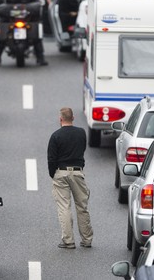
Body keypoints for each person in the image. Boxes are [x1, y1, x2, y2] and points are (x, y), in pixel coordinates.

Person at [47, 107, 93, 249]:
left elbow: (51, 159)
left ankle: (68, 240)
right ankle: (86, 240)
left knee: (64, 207)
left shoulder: (55, 136)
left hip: (61, 173)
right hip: (78, 172)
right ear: (73, 118)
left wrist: (53, 174)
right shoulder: (81, 133)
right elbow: (82, 151)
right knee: (82, 207)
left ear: (60, 119)